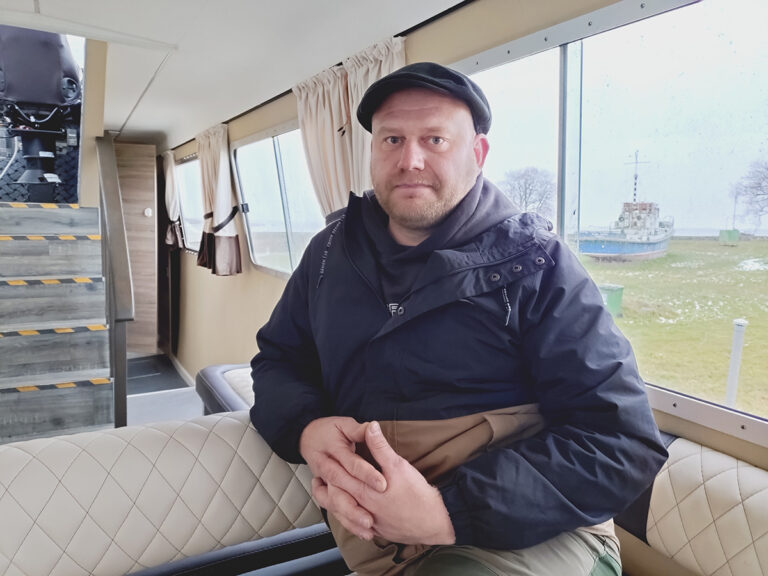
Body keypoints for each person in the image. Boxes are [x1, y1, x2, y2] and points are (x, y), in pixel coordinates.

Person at [250, 62, 667, 576]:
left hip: (528, 540)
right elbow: (278, 360)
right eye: (392, 139)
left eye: (435, 140)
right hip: (377, 548)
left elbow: (622, 441)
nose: (411, 160)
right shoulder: (329, 254)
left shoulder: (537, 263)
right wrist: (304, 427)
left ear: (478, 153)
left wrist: (447, 512)